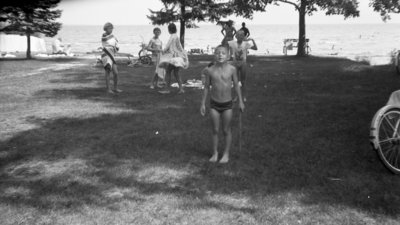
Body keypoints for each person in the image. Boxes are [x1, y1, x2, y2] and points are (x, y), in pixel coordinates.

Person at [200, 45, 245, 164]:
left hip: (227, 104)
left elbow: (236, 85)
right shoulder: (210, 70)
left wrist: (240, 101)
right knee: (215, 129)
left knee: (226, 130)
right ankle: (215, 153)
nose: (220, 55)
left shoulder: (232, 69)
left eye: (223, 53)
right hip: (214, 104)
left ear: (228, 56)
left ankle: (226, 153)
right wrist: (203, 103)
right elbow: (206, 87)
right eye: (218, 53)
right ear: (214, 55)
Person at [158, 23, 189, 94]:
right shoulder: (176, 36)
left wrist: (162, 50)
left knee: (168, 72)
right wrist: (184, 55)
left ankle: (167, 89)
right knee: (176, 73)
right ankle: (181, 89)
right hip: (178, 57)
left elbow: (168, 46)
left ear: (169, 30)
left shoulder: (172, 37)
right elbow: (180, 47)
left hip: (174, 58)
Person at [228, 30, 258, 102]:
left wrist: (252, 40)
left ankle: (244, 96)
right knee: (235, 81)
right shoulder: (232, 43)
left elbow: (256, 48)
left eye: (242, 35)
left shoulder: (246, 44)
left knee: (243, 81)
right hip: (235, 64)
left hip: (243, 64)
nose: (240, 37)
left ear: (244, 37)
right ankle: (236, 96)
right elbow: (226, 48)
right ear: (236, 36)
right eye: (239, 35)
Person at [101, 22, 122, 94]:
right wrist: (114, 44)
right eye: (110, 28)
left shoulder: (112, 36)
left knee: (116, 73)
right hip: (106, 55)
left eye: (112, 28)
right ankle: (108, 89)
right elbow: (107, 42)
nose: (111, 29)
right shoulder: (104, 35)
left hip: (112, 55)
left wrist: (116, 46)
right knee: (108, 72)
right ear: (106, 29)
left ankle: (115, 88)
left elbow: (115, 43)